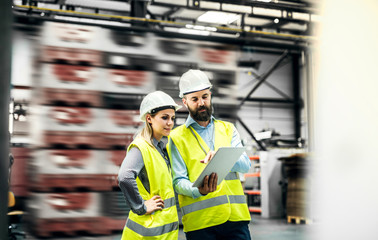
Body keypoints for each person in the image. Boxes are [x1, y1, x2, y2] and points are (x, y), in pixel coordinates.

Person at [167, 69, 252, 240]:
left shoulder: (228, 129)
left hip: (236, 219)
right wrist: (198, 190)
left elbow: (245, 164)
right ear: (185, 102)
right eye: (194, 99)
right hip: (201, 224)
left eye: (205, 97)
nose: (201, 103)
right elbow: (178, 181)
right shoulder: (176, 138)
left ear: (210, 96)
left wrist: (222, 157)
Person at [118, 90, 181, 240]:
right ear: (149, 118)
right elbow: (124, 177)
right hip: (146, 233)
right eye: (164, 117)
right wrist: (141, 206)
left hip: (161, 232)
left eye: (172, 118)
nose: (170, 123)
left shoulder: (159, 147)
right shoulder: (141, 147)